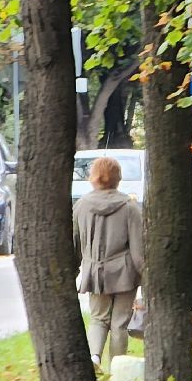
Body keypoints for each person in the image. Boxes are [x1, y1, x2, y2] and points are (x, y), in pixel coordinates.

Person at [74, 155, 144, 364]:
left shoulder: (81, 206)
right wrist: (145, 276)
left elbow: (75, 241)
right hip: (125, 274)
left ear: (93, 177)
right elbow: (138, 250)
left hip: (95, 272)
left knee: (98, 318)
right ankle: (117, 368)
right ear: (118, 177)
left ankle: (94, 357)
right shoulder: (129, 207)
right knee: (120, 323)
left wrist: (76, 268)